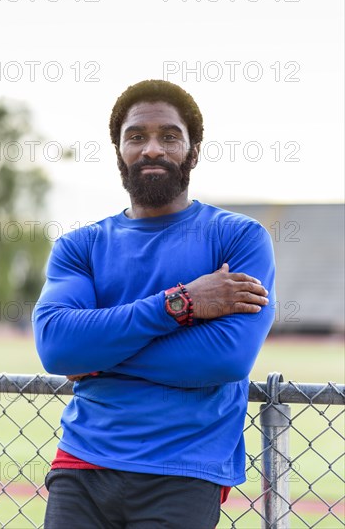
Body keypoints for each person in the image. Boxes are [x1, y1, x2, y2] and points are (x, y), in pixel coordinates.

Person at [33, 79, 276, 529]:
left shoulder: (237, 237)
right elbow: (58, 349)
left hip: (184, 469)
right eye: (136, 136)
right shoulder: (80, 246)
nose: (151, 149)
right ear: (119, 151)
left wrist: (99, 355)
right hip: (83, 462)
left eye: (169, 136)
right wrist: (179, 305)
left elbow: (224, 358)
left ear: (193, 151)